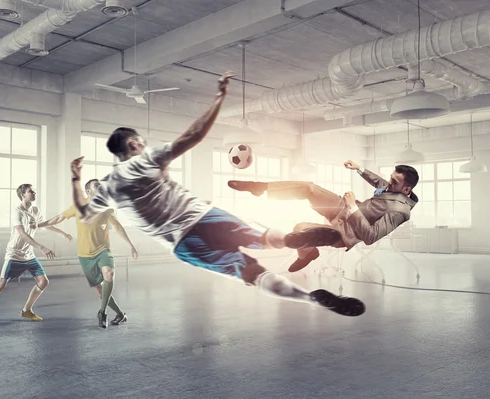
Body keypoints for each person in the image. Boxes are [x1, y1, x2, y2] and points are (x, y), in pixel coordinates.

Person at [68, 71, 365, 317]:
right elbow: (193, 135)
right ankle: (290, 240)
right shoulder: (146, 159)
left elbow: (83, 214)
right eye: (140, 141)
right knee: (261, 238)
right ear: (132, 144)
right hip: (204, 215)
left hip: (182, 242)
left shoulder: (107, 186)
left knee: (251, 274)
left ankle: (310, 298)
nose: (143, 144)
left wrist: (75, 179)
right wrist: (219, 97)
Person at [228, 161, 419, 272]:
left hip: (346, 232)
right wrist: (359, 168)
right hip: (342, 209)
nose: (388, 183)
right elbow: (380, 181)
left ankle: (308, 254)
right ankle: (260, 188)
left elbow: (370, 237)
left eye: (394, 181)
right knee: (308, 188)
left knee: (300, 228)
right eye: (391, 178)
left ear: (406, 189)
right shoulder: (394, 189)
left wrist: (353, 207)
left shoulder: (400, 212)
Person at [39, 178, 139, 329]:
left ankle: (102, 312)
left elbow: (118, 227)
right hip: (85, 255)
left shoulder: (106, 208)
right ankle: (120, 314)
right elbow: (58, 218)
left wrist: (131, 245)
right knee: (99, 288)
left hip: (103, 250)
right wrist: (39, 224)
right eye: (96, 186)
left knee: (109, 273)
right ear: (88, 192)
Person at [0, 184, 72, 323]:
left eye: (34, 190)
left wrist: (63, 233)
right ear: (23, 195)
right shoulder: (17, 212)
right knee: (1, 284)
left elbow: (46, 224)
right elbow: (23, 234)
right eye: (31, 191)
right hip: (14, 254)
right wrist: (42, 247)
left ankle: (26, 311)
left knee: (43, 281)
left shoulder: (35, 209)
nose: (34, 192)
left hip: (29, 255)